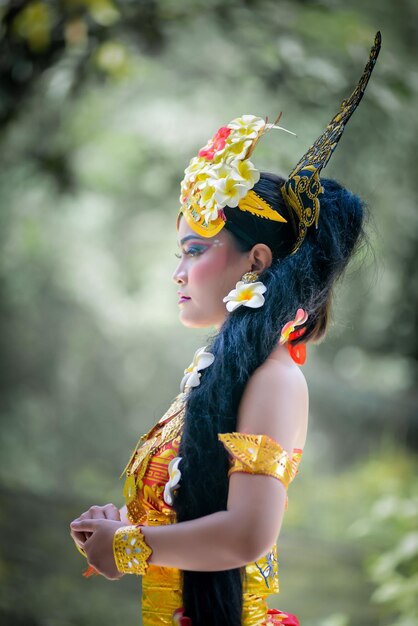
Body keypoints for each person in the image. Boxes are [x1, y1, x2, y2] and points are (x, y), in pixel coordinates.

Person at [70, 32, 381, 626]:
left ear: (255, 260)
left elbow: (247, 535)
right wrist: (120, 530)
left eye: (194, 250)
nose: (177, 272)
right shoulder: (226, 371)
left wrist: (128, 548)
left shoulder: (275, 380)